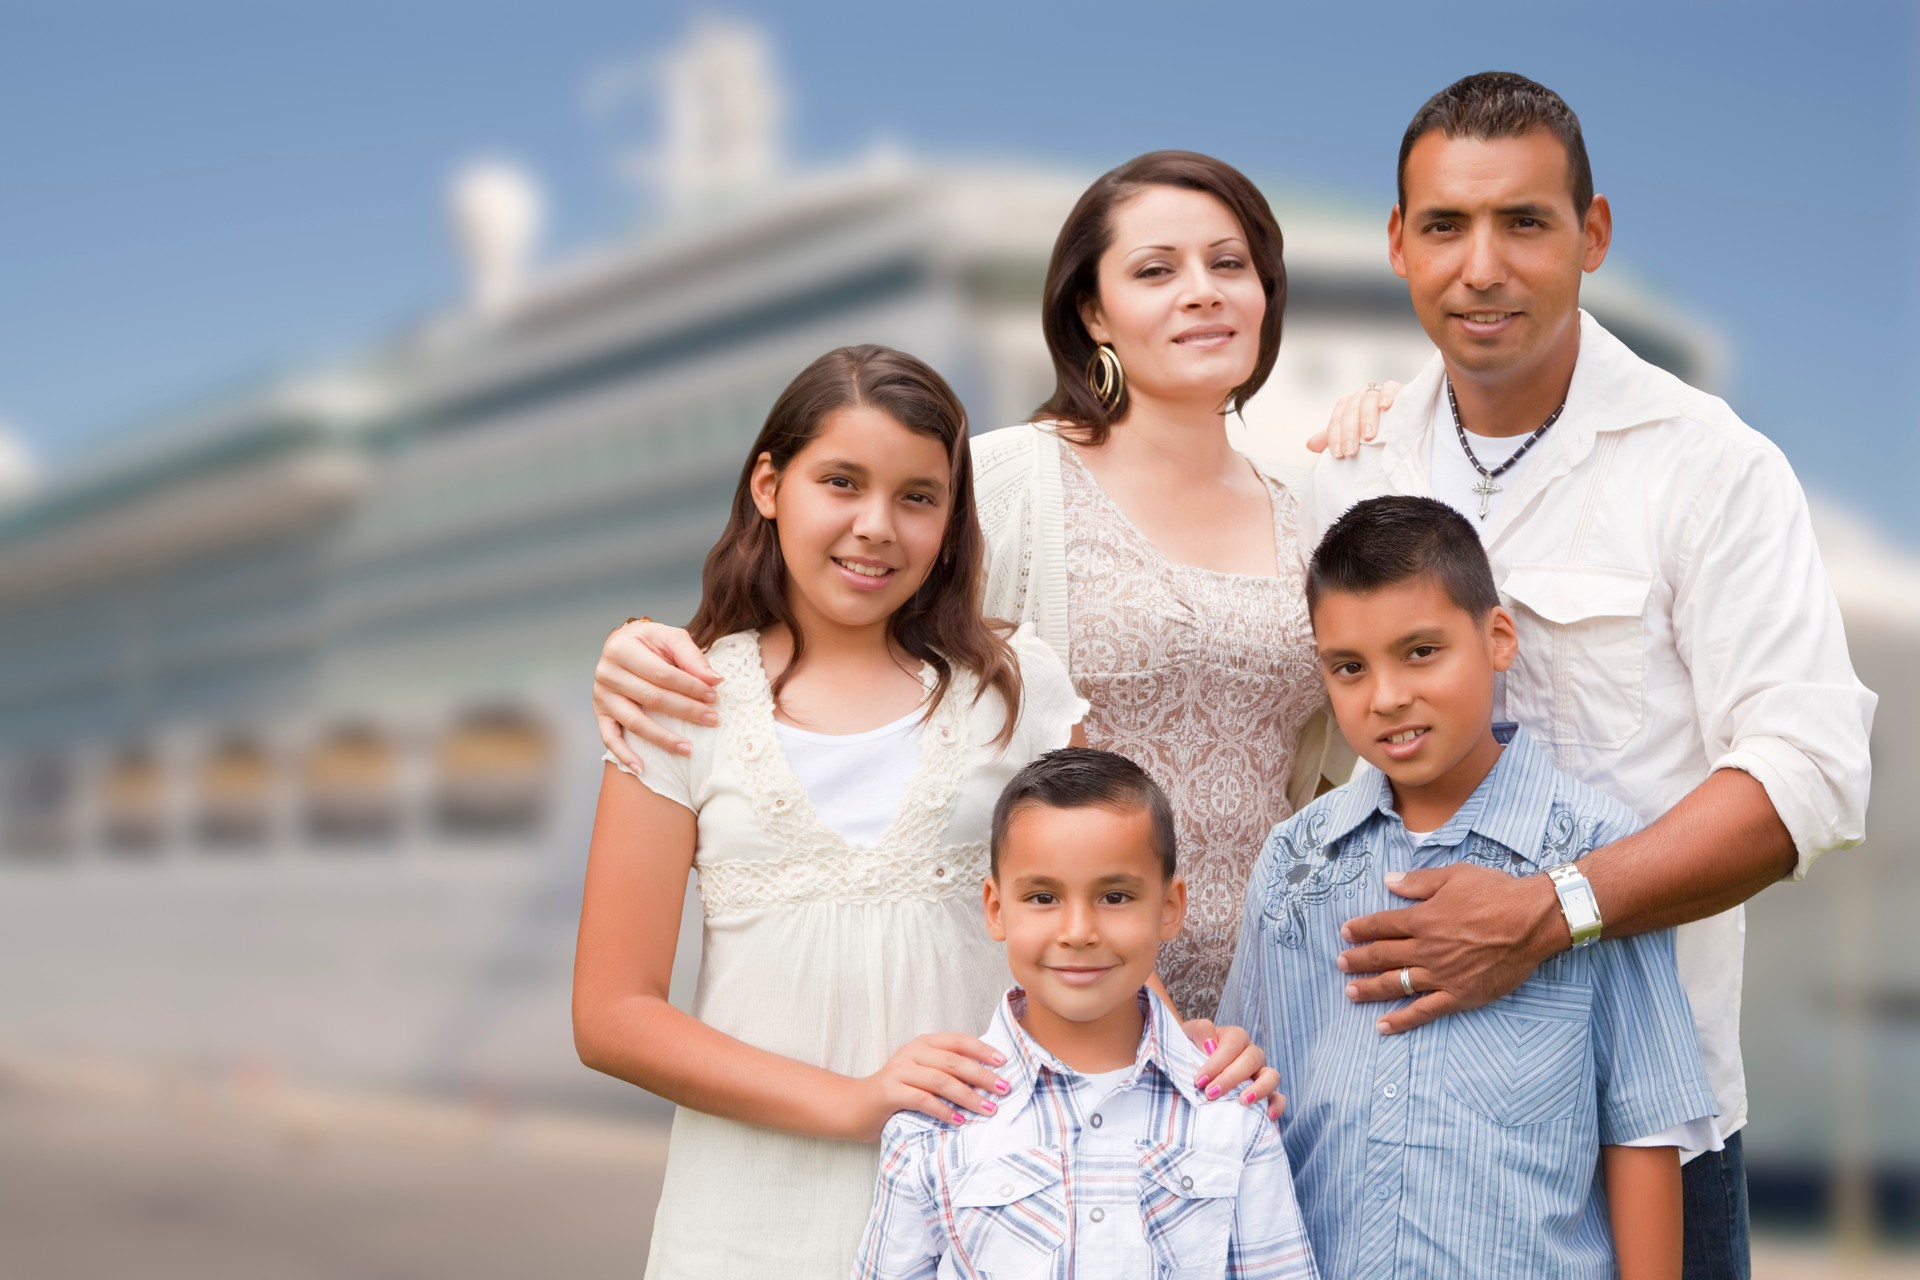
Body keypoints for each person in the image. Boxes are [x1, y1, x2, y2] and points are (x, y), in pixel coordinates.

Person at [1310, 74, 1876, 1277]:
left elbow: (1809, 775)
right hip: (1393, 1120)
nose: (1483, 268)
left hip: (1643, 1124)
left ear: (1594, 233)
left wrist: (1546, 911)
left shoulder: (1711, 468)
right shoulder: (1348, 468)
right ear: (1399, 243)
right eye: (1447, 225)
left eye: (1525, 221)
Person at [590, 150, 1363, 1023]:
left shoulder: (1314, 519)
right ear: (1093, 313)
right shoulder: (997, 483)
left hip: (1272, 1005)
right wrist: (638, 643)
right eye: (1156, 270)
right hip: (1048, 1013)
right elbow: (830, 614)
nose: (1203, 292)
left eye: (1229, 265)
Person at [572, 345, 1272, 1280]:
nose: (876, 526)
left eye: (917, 497)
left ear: (951, 521)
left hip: (990, 1221)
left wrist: (1190, 1054)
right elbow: (612, 1014)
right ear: (770, 485)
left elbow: (1091, 916)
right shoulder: (679, 702)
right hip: (745, 1228)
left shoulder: (1015, 691)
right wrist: (854, 1101)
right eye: (841, 482)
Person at [1222, 495, 1718, 1279]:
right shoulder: (1296, 860)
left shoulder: (1596, 852)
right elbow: (1245, 1110)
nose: (1387, 696)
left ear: (1498, 639)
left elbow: (1643, 1126)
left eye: (1421, 652)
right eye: (1350, 667)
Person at [854, 748, 1318, 1280]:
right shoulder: (933, 1124)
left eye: (1115, 896)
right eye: (1043, 897)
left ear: (1169, 908)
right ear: (996, 909)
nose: (1078, 932)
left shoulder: (1232, 1112)